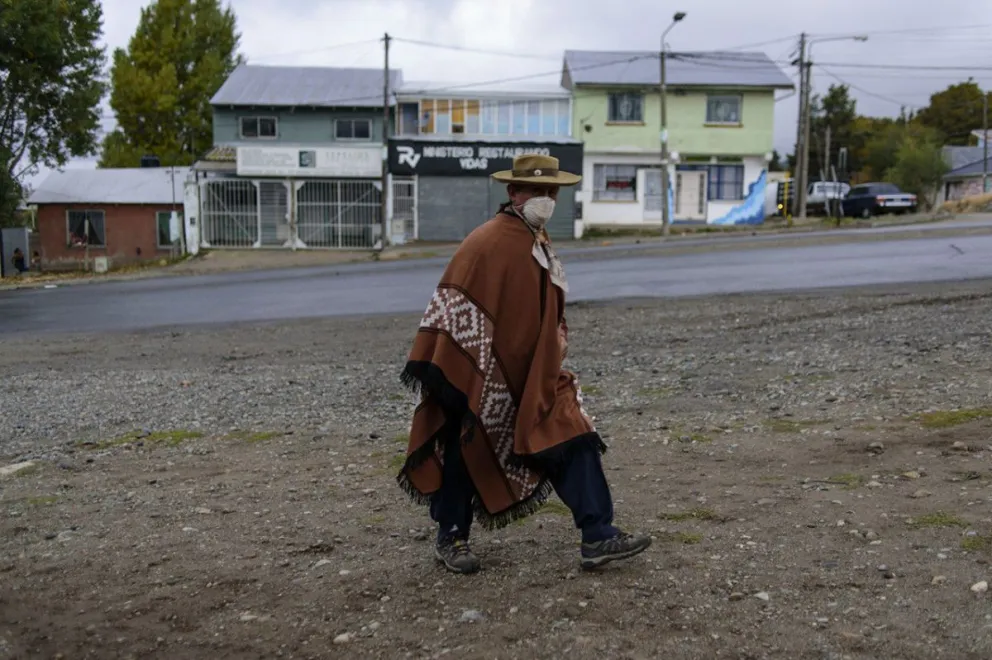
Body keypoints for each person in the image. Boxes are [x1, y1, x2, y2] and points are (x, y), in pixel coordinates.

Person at [397, 153, 651, 574]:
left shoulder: (537, 239)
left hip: (534, 371)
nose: (546, 199)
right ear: (513, 192)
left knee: (571, 433)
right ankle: (452, 535)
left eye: (551, 191)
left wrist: (555, 342)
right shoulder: (488, 240)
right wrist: (464, 367)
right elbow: (450, 306)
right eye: (537, 190)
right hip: (480, 369)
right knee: (466, 441)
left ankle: (598, 535)